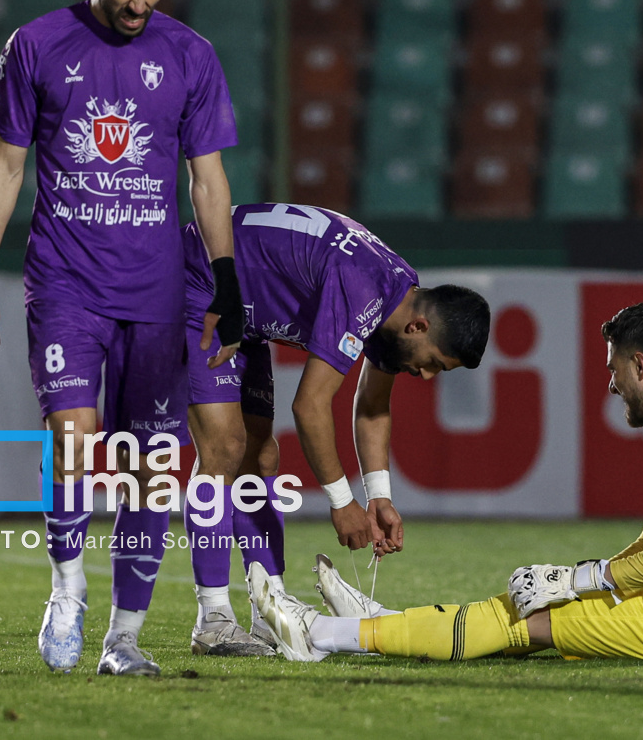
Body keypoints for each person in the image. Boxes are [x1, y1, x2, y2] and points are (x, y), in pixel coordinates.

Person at [0, 0, 246, 676]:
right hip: (65, 283)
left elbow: (208, 182)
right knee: (74, 440)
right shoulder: (37, 45)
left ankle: (123, 638)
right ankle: (66, 587)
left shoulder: (192, 56)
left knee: (155, 467)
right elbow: (8, 165)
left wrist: (227, 282)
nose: (137, 4)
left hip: (156, 296)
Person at [247, 300, 643, 662]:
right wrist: (575, 576)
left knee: (516, 616)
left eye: (614, 369)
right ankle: (385, 625)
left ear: (642, 366)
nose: (611, 384)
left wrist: (577, 581)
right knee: (540, 609)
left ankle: (319, 636)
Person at [177, 202, 491, 658]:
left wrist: (378, 495)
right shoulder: (363, 287)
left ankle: (271, 609)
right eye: (433, 364)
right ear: (419, 326)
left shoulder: (396, 297)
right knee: (225, 448)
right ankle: (212, 618)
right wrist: (343, 503)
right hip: (198, 282)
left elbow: (372, 407)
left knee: (261, 456)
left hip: (245, 310)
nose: (425, 377)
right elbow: (309, 405)